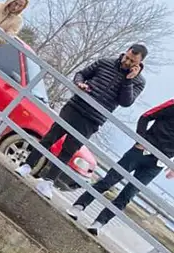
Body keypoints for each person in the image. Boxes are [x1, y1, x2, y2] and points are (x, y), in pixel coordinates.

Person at [19, 44, 148, 197]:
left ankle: (48, 181)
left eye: (132, 61)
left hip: (93, 119)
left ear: (139, 64)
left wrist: (128, 80)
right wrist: (80, 83)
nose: (127, 62)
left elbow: (125, 102)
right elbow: (81, 74)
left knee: (69, 150)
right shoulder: (105, 62)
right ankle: (27, 165)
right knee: (50, 137)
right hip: (75, 107)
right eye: (126, 57)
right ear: (125, 53)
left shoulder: (139, 82)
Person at [67, 98, 174, 235]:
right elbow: (146, 116)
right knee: (109, 181)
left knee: (128, 195)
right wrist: (141, 140)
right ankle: (79, 206)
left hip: (158, 164)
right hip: (141, 151)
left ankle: (99, 223)